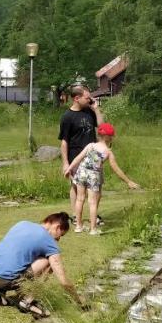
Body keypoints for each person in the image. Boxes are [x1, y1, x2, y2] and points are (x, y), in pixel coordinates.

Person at [0, 212, 82, 315]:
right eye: (61, 235)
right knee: (49, 263)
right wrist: (79, 302)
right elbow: (63, 281)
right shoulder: (49, 242)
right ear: (57, 227)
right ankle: (27, 301)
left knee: (24, 258)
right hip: (4, 279)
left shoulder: (22, 223)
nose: (58, 239)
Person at [65, 123, 142, 235]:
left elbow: (78, 158)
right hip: (94, 176)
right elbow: (116, 169)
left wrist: (69, 168)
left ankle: (78, 226)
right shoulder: (108, 152)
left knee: (79, 199)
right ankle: (93, 229)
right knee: (92, 202)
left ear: (99, 135)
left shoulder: (90, 145)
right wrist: (128, 181)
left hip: (81, 172)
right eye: (112, 136)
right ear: (109, 137)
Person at [59, 85, 104, 231]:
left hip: (93, 157)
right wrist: (66, 163)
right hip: (76, 157)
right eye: (87, 97)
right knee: (76, 188)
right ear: (76, 98)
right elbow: (64, 141)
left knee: (96, 187)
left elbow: (102, 128)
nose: (90, 99)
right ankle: (75, 217)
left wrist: (96, 109)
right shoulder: (67, 117)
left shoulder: (89, 112)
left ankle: (93, 216)